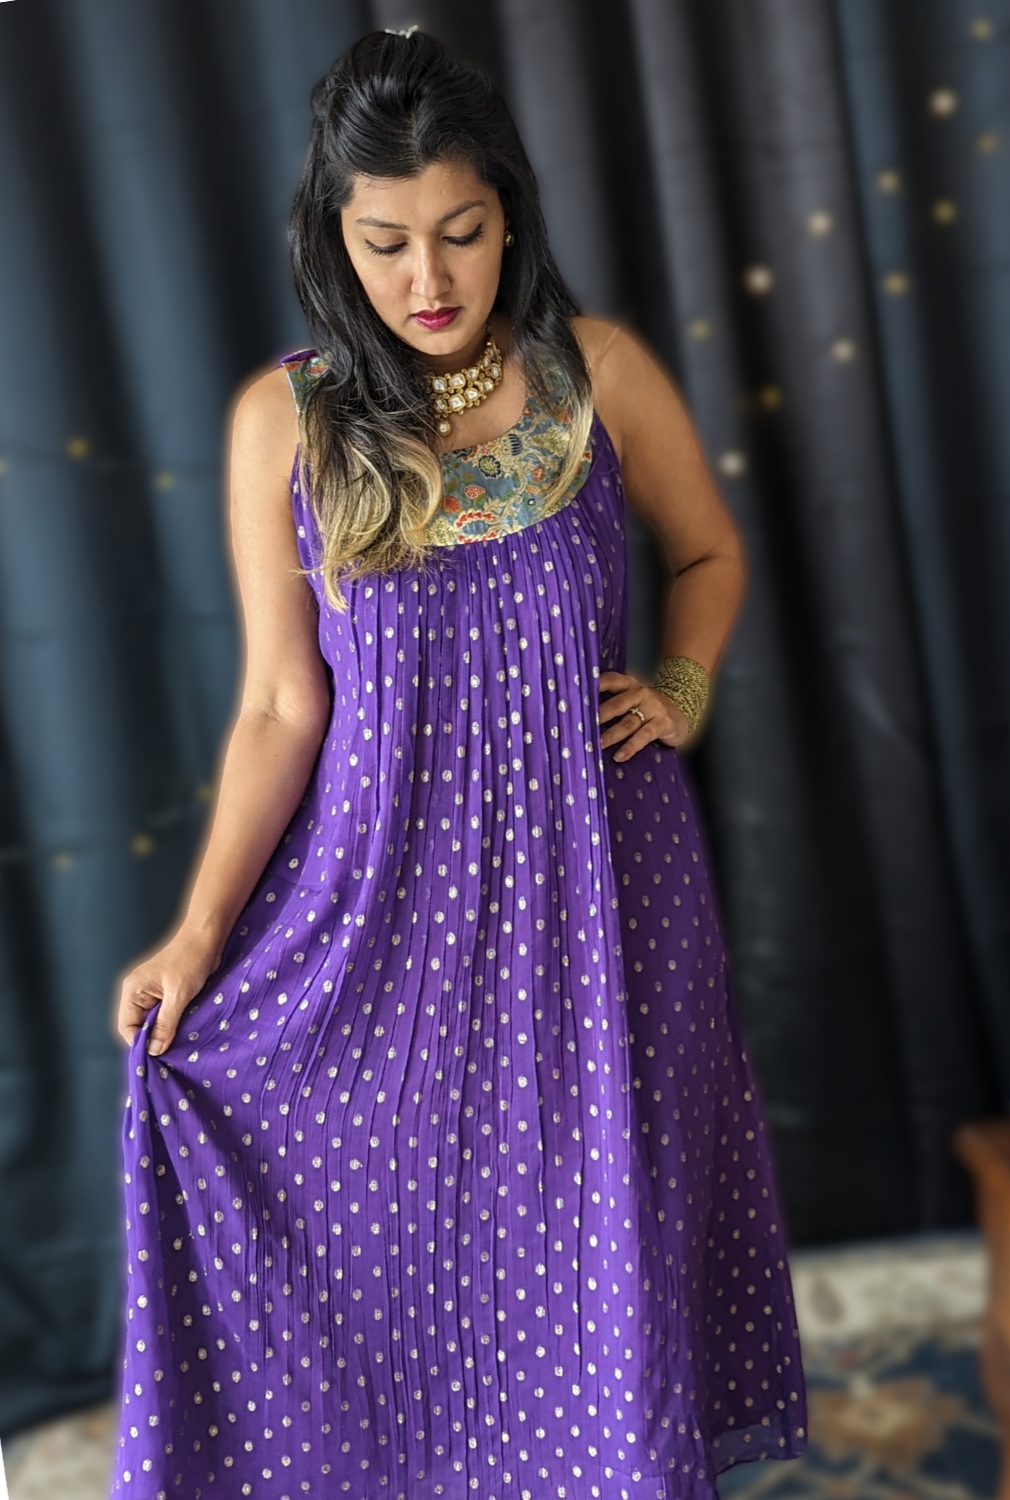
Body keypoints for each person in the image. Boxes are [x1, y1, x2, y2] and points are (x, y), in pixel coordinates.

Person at [111, 27, 806, 1500]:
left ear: (511, 216)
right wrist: (197, 933)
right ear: (334, 236)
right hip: (387, 911)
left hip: (603, 899)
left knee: (601, 1269)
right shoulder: (285, 425)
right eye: (386, 244)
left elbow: (709, 551)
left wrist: (680, 687)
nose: (428, 279)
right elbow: (281, 707)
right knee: (411, 1265)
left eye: (462, 232)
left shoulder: (597, 374)